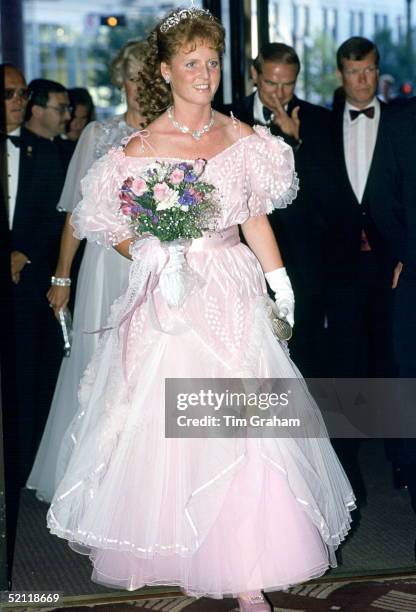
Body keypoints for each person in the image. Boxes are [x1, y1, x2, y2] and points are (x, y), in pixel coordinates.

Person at [47, 9, 355, 610]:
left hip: (231, 290)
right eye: (192, 63)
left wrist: (279, 282)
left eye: (212, 63)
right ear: (165, 69)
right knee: (173, 431)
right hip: (171, 296)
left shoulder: (243, 138)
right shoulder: (138, 147)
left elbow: (253, 217)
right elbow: (105, 221)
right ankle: (186, 549)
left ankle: (246, 574)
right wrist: (153, 251)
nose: (205, 74)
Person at [26, 40, 148, 502]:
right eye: (131, 78)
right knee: (100, 370)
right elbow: (76, 214)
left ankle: (140, 481)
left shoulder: (171, 134)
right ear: (121, 82)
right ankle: (93, 484)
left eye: (147, 77)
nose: (139, 87)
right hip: (103, 265)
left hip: (153, 264)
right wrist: (62, 277)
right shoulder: (98, 135)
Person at [228, 43, 331, 377]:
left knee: (304, 340)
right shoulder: (228, 117)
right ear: (255, 75)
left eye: (288, 84)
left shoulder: (317, 119)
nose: (279, 92)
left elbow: (327, 192)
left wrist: (294, 142)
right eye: (271, 83)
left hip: (302, 251)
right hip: (246, 249)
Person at [325, 37, 398, 503]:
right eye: (354, 71)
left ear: (378, 71)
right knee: (347, 363)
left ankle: (400, 461)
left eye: (369, 70)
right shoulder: (321, 125)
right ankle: (346, 462)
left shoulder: (403, 122)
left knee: (393, 363)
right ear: (340, 74)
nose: (362, 80)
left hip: (392, 266)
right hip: (343, 267)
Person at [9, 77, 74, 485]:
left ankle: (28, 464)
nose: (67, 116)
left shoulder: (58, 155)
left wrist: (24, 254)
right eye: (60, 107)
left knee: (33, 373)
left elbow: (61, 216)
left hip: (34, 281)